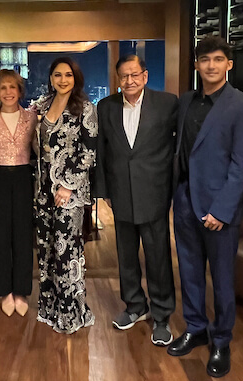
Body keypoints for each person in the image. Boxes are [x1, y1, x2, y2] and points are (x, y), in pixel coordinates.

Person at [167, 37, 243, 378]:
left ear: (229, 65)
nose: (210, 65)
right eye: (204, 59)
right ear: (196, 65)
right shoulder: (186, 101)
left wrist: (222, 210)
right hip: (186, 201)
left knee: (221, 279)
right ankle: (196, 328)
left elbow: (242, 164)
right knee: (189, 272)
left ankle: (221, 340)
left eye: (218, 59)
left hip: (221, 209)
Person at [95, 55, 178, 346]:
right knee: (126, 256)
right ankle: (134, 306)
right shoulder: (106, 107)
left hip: (154, 192)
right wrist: (103, 191)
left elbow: (177, 147)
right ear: (118, 80)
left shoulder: (167, 104)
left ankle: (162, 314)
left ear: (144, 76)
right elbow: (101, 151)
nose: (129, 81)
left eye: (134, 75)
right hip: (120, 192)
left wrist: (174, 186)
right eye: (123, 76)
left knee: (157, 257)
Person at [33, 57, 97, 333]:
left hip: (69, 192)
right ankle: (49, 307)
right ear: (50, 78)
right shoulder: (42, 105)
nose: (62, 80)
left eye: (68, 75)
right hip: (42, 189)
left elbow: (89, 154)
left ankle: (71, 312)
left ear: (76, 78)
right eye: (57, 75)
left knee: (66, 250)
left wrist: (68, 185)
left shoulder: (85, 108)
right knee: (46, 250)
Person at [0, 69, 37, 316]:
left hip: (23, 178)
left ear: (20, 91)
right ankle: (4, 290)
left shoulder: (31, 118)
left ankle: (21, 290)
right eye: (3, 88)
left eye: (13, 87)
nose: (9, 92)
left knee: (23, 237)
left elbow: (38, 149)